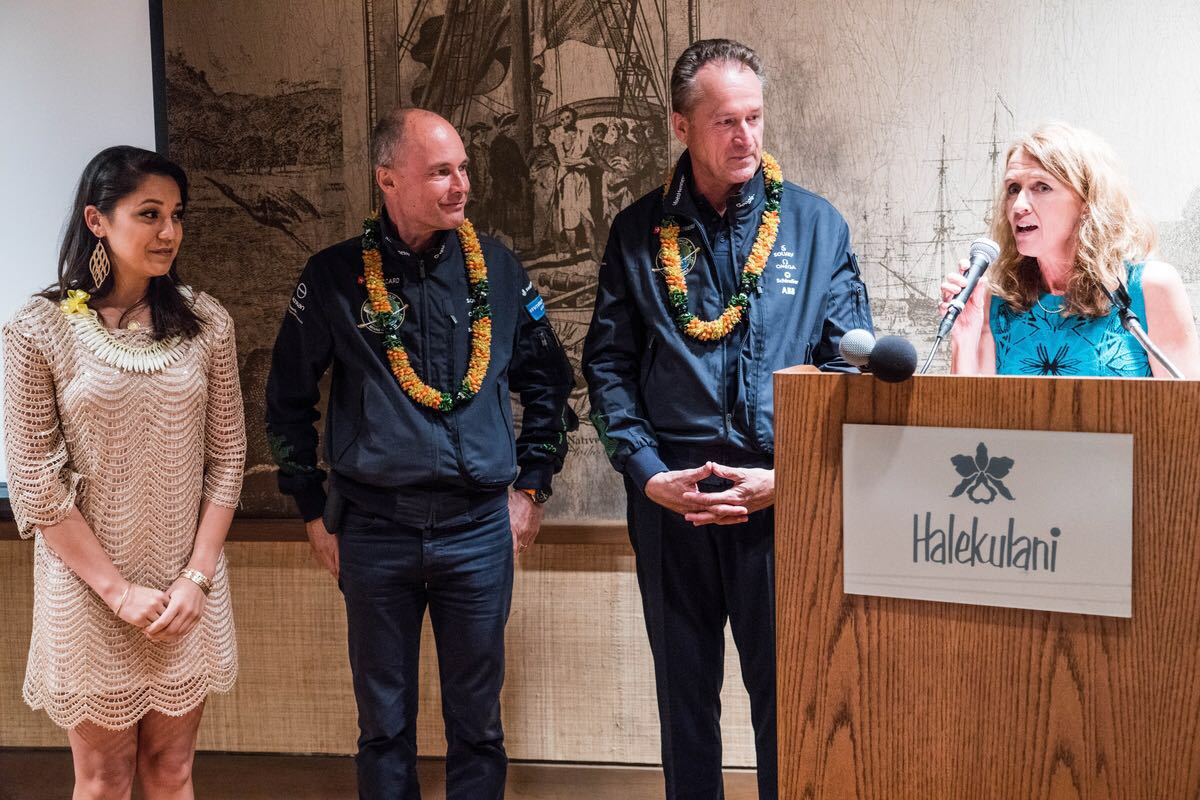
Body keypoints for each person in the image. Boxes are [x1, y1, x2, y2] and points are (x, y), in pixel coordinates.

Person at [582, 39, 874, 800]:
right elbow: (607, 368)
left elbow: (848, 372)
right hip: (673, 501)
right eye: (725, 122)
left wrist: (791, 478)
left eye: (755, 118)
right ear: (681, 127)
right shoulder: (636, 232)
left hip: (777, 498)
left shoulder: (814, 227)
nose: (746, 137)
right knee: (684, 702)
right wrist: (648, 475)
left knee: (792, 699)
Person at [265, 107, 576, 800]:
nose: (461, 184)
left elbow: (550, 382)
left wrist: (532, 487)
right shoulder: (334, 275)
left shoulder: (498, 268)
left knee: (479, 727)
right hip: (374, 531)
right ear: (388, 180)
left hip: (478, 531)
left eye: (463, 168)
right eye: (441, 172)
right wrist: (312, 510)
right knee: (383, 728)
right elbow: (286, 400)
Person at [2, 145, 245, 798]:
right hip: (89, 595)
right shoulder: (39, 328)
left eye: (176, 215)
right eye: (149, 213)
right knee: (103, 779)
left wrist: (196, 578)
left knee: (172, 771)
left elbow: (228, 459)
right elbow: (34, 481)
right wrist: (117, 592)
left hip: (183, 591)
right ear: (97, 220)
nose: (168, 231)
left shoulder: (206, 323)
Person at [939, 122, 1200, 377]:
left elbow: (1185, 403)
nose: (1019, 205)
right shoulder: (995, 301)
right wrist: (964, 337)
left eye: (1042, 187)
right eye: (1013, 189)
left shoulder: (1150, 287)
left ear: (1087, 200)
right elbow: (972, 406)